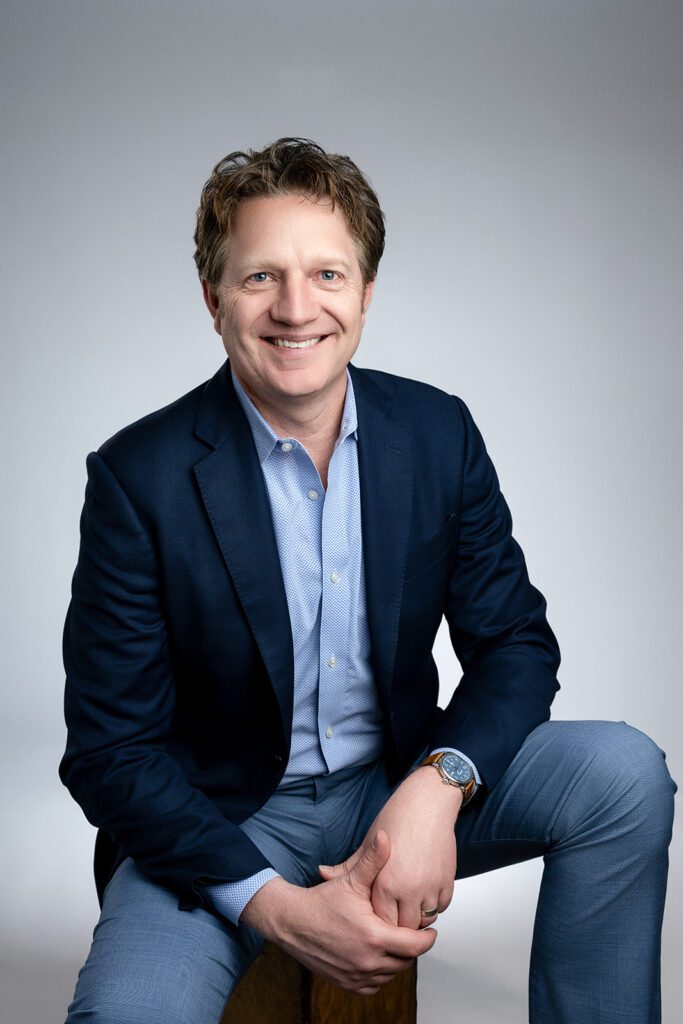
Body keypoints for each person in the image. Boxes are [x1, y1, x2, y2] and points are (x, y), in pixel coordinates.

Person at [61, 138, 675, 1024]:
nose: (296, 308)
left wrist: (439, 784)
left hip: (395, 778)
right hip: (221, 823)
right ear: (213, 299)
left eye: (328, 275)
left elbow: (512, 644)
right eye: (260, 277)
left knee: (622, 774)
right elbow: (109, 751)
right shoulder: (139, 475)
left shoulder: (436, 432)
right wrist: (274, 905)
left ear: (366, 295)